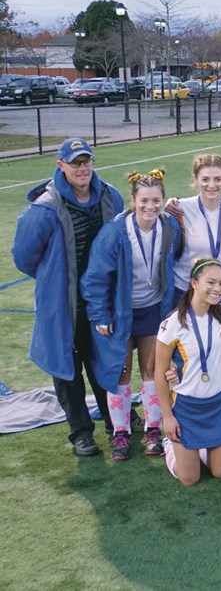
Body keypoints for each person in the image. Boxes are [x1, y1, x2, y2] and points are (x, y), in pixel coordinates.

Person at [12, 137, 124, 456]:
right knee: (67, 366)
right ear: (61, 165)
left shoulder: (109, 196)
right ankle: (80, 432)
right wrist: (54, 279)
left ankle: (117, 420)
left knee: (105, 359)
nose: (83, 168)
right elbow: (24, 256)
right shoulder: (46, 207)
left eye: (87, 161)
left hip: (101, 301)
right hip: (63, 303)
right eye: (75, 162)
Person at [80, 169, 182, 460]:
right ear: (133, 200)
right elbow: (95, 277)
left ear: (163, 200)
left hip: (154, 310)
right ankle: (120, 431)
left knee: (153, 370)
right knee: (120, 372)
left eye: (156, 201)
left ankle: (152, 428)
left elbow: (173, 261)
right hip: (121, 312)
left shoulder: (170, 227)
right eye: (144, 201)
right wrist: (100, 314)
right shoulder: (114, 232)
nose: (150, 207)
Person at [155, 259, 221, 486]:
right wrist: (167, 417)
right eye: (210, 282)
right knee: (189, 479)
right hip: (187, 407)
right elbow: (159, 372)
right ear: (194, 283)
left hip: (218, 403)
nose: (217, 289)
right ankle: (171, 447)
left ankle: (196, 449)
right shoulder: (173, 324)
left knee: (220, 472)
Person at [171, 154, 221, 308]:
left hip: (218, 291)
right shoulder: (180, 209)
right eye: (205, 179)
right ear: (195, 180)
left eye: (217, 179)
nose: (211, 185)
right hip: (185, 290)